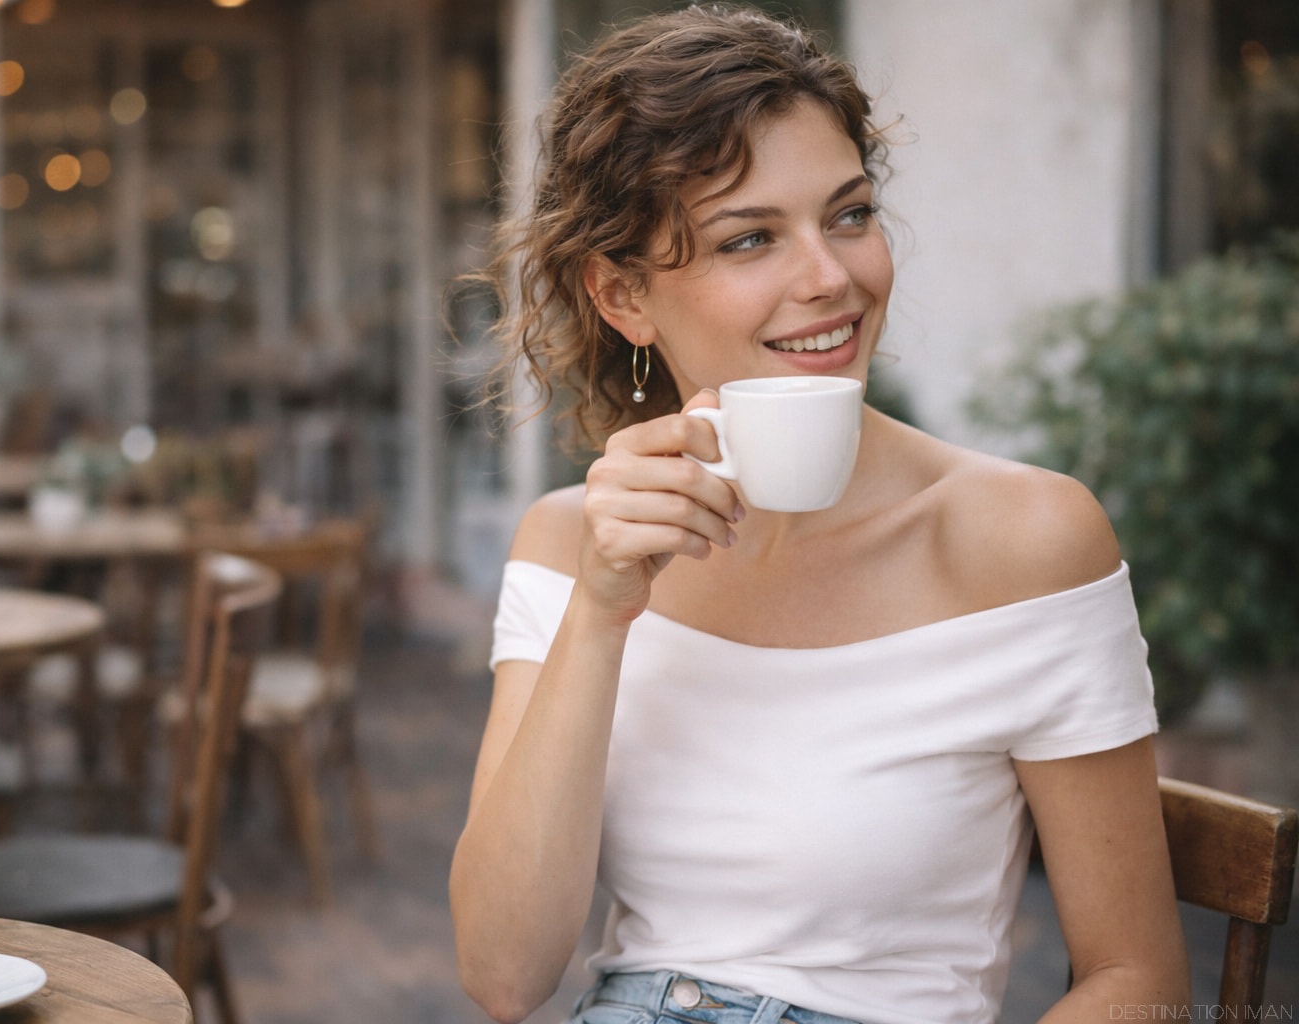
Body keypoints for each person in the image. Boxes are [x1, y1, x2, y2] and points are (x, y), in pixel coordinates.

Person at [448, 5, 1191, 1024]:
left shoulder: (1023, 538)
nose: (832, 277)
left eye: (849, 213)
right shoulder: (572, 540)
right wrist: (601, 609)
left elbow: (1138, 979)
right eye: (750, 237)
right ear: (624, 295)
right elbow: (502, 974)